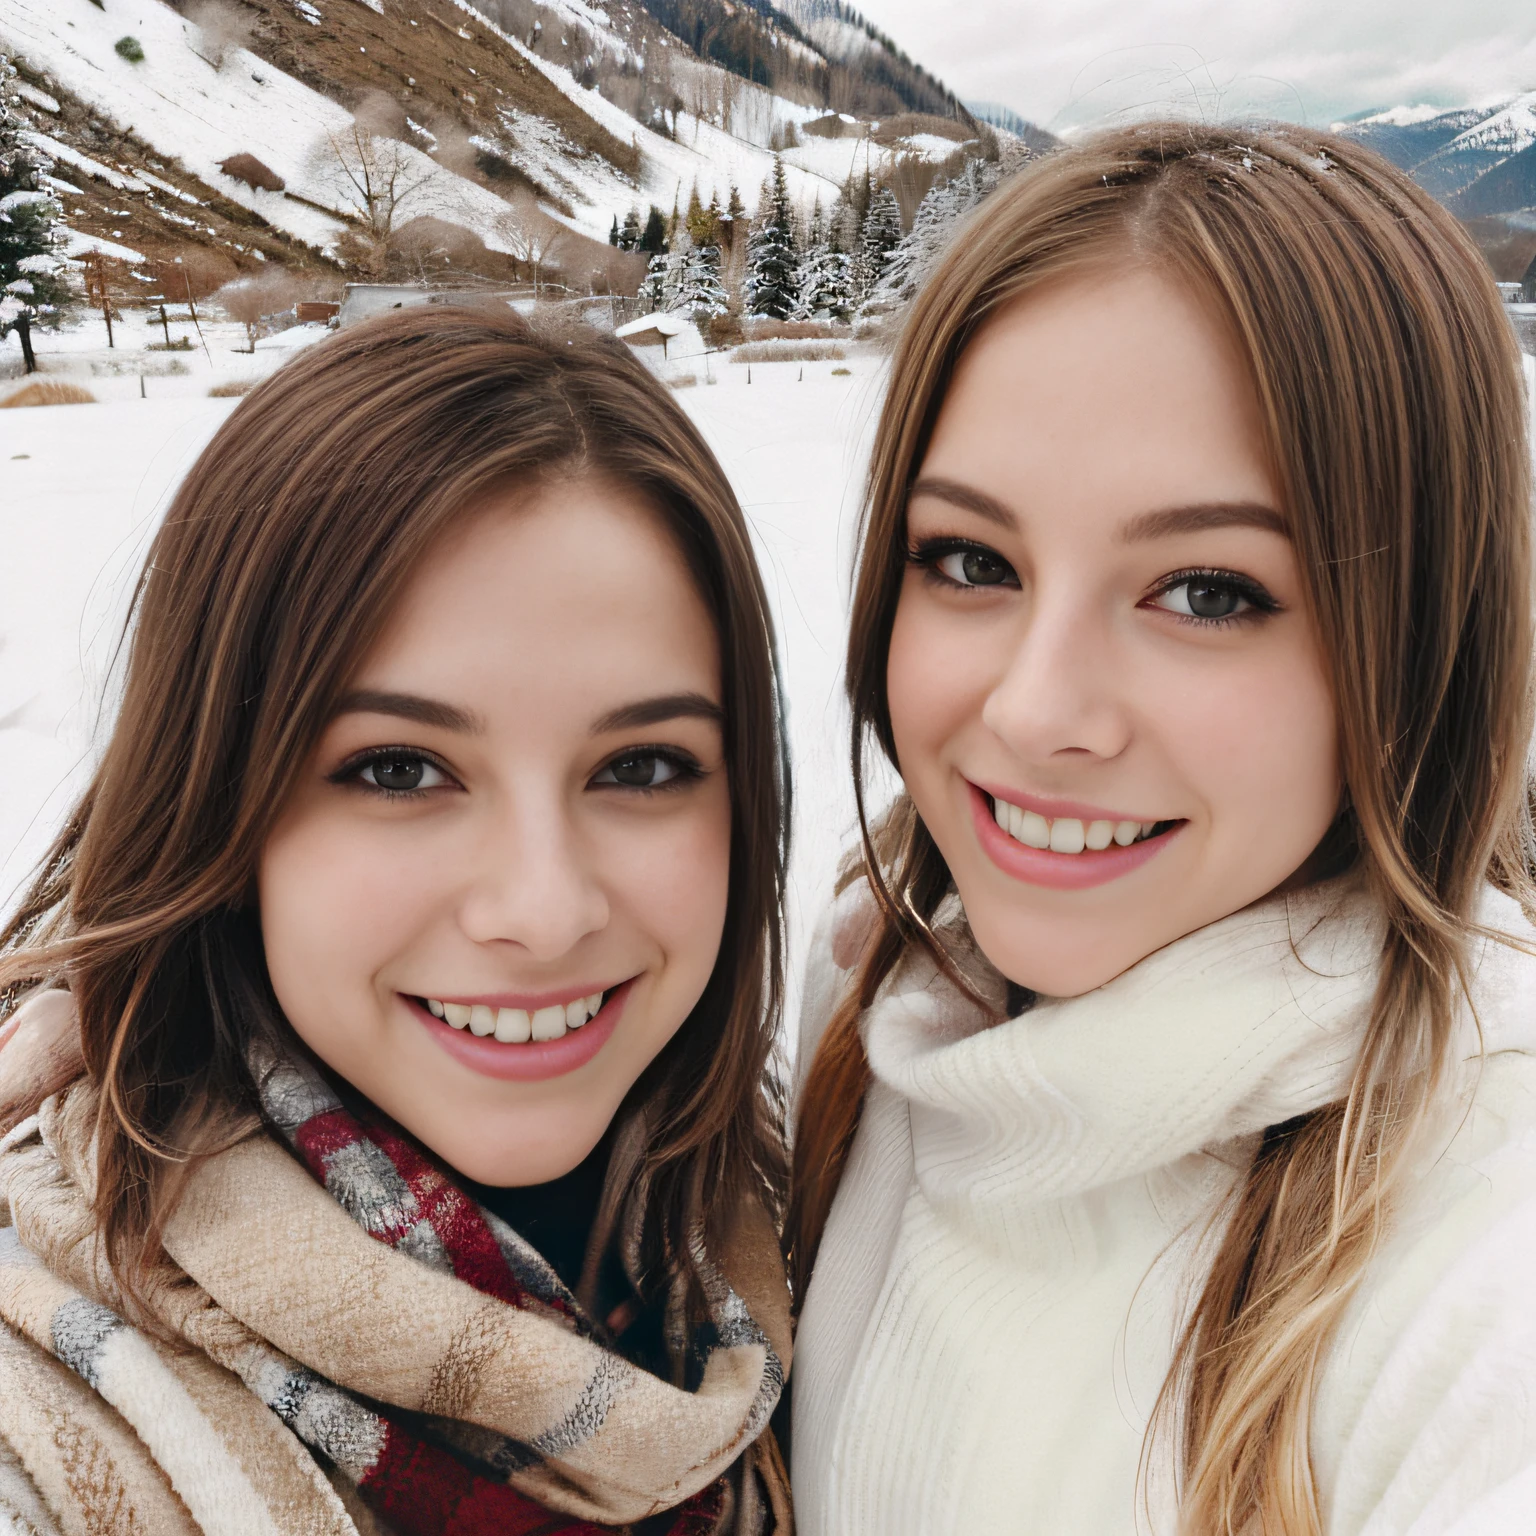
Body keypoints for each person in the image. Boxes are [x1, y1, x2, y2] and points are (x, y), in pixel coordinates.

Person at [787, 122, 1536, 1534]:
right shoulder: (871, 992)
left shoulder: (1486, 1214)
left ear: (1419, 640)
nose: (1035, 708)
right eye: (970, 561)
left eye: (1206, 591)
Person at [0, 307, 793, 1536]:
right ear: (217, 803)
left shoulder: (809, 1219)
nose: (541, 911)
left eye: (641, 767)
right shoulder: (52, 1412)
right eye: (398, 770)